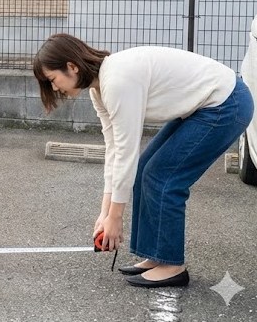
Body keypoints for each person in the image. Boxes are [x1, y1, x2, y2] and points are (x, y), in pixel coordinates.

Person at [32, 34, 253, 288]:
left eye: (52, 80)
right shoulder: (99, 90)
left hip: (227, 103)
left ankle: (172, 265)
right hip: (205, 106)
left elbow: (126, 151)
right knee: (145, 170)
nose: (55, 88)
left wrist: (116, 218)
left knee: (163, 178)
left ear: (72, 66)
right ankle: (156, 256)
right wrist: (105, 214)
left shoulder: (116, 81)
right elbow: (113, 149)